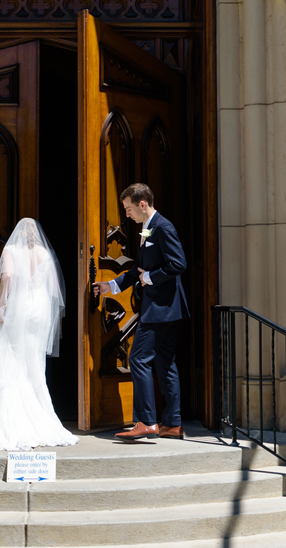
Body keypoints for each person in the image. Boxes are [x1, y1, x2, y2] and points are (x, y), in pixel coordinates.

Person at [94, 182, 187, 440]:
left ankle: (147, 421)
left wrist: (150, 279)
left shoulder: (163, 227)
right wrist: (110, 286)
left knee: (137, 359)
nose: (127, 214)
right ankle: (172, 423)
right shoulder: (147, 229)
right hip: (165, 309)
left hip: (161, 308)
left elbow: (178, 264)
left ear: (142, 204)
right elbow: (139, 269)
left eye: (128, 208)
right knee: (165, 363)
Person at [0, 217, 75, 450]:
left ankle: (14, 417)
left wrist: (2, 305)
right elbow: (52, 289)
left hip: (19, 307)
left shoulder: (11, 249)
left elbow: (7, 276)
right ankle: (40, 414)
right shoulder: (45, 253)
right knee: (33, 361)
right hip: (39, 310)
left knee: (11, 358)